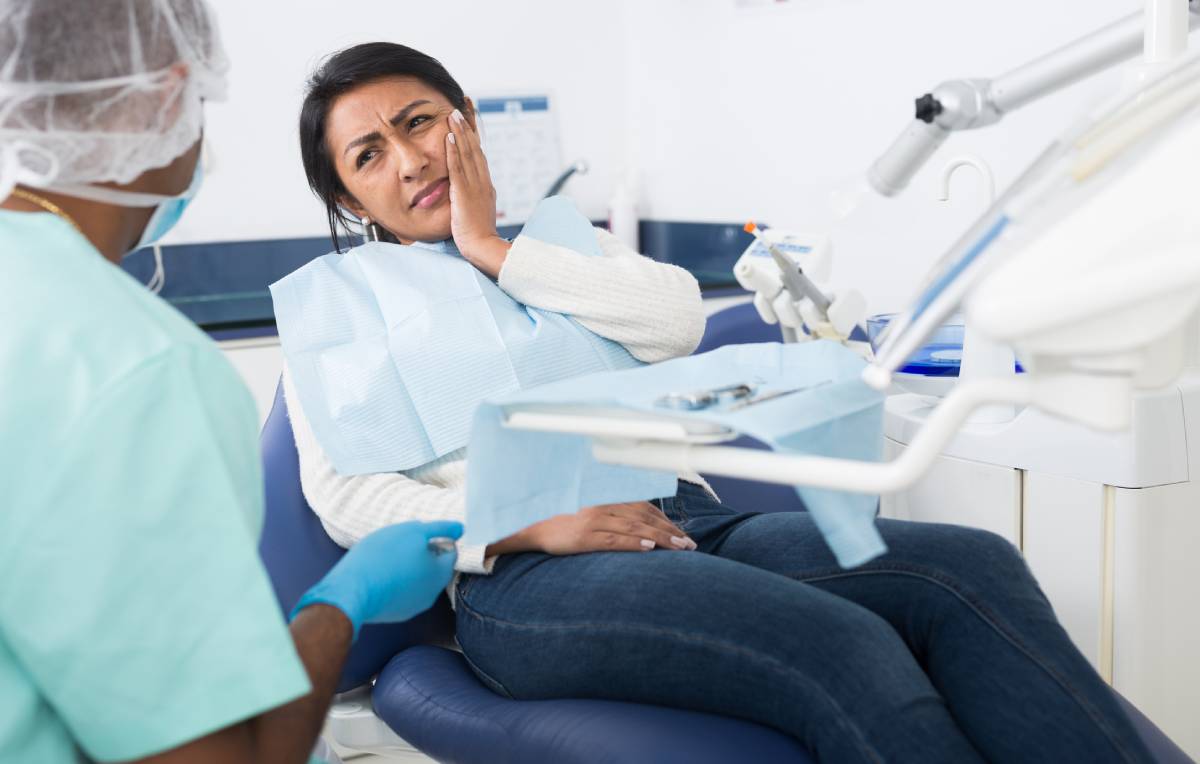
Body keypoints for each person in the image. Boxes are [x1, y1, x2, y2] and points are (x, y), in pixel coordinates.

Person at [285, 41, 1155, 763]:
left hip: (689, 523)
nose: (409, 161)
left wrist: (491, 247)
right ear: (346, 197)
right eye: (369, 155)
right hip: (529, 578)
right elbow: (350, 500)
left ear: (462, 119)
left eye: (419, 123)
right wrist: (531, 527)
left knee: (968, 567)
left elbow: (672, 323)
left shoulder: (560, 246)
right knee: (841, 643)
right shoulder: (335, 317)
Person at [0, 4, 459, 762]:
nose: (409, 162)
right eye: (368, 153)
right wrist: (339, 607)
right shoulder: (139, 366)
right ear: (163, 96)